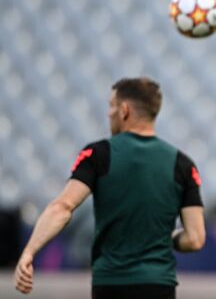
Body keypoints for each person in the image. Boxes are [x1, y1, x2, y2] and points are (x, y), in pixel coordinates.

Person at [14, 77, 206, 299]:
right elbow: (195, 238)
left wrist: (29, 252)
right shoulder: (182, 164)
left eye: (111, 106)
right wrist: (166, 238)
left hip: (112, 283)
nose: (109, 113)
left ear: (124, 110)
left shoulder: (98, 155)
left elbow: (63, 207)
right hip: (159, 284)